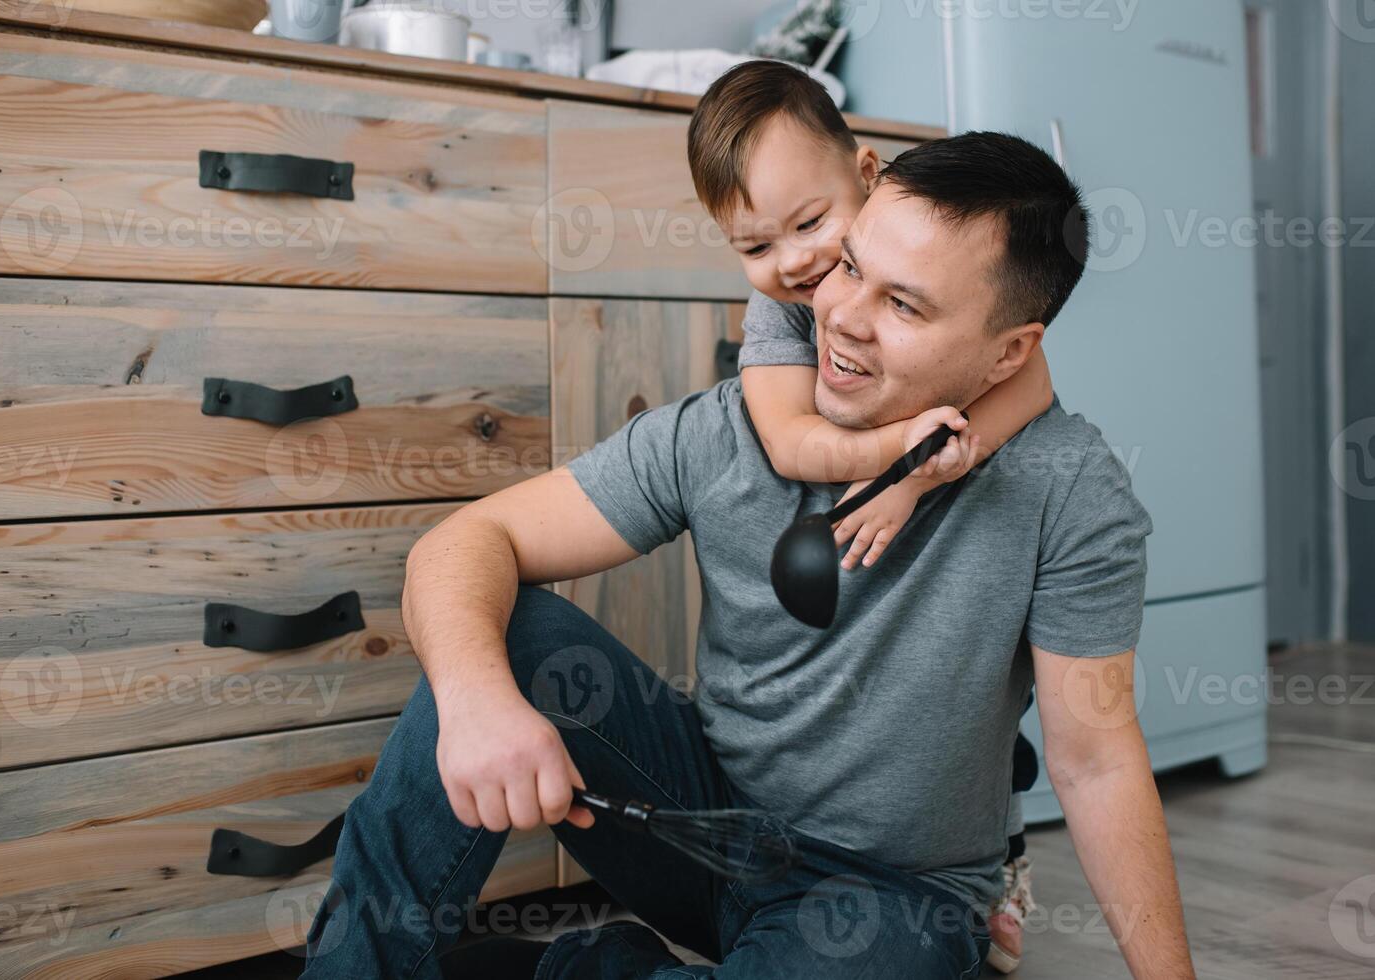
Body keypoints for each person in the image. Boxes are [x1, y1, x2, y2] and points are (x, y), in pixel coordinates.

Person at [299, 129, 1195, 979]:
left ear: (1011, 355)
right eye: (851, 266)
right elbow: (464, 542)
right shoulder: (726, 430)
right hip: (700, 829)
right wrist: (478, 700)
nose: (843, 317)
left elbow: (1096, 761)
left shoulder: (1069, 488)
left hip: (891, 896)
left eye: (904, 305)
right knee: (506, 634)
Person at [687, 60, 1053, 972]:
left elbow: (1032, 388)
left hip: (942, 549)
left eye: (813, 227)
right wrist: (895, 461)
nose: (797, 265)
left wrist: (921, 481)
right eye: (754, 247)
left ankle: (995, 866)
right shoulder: (778, 317)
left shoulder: (935, 241)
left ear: (869, 175)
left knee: (970, 712)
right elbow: (789, 443)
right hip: (845, 563)